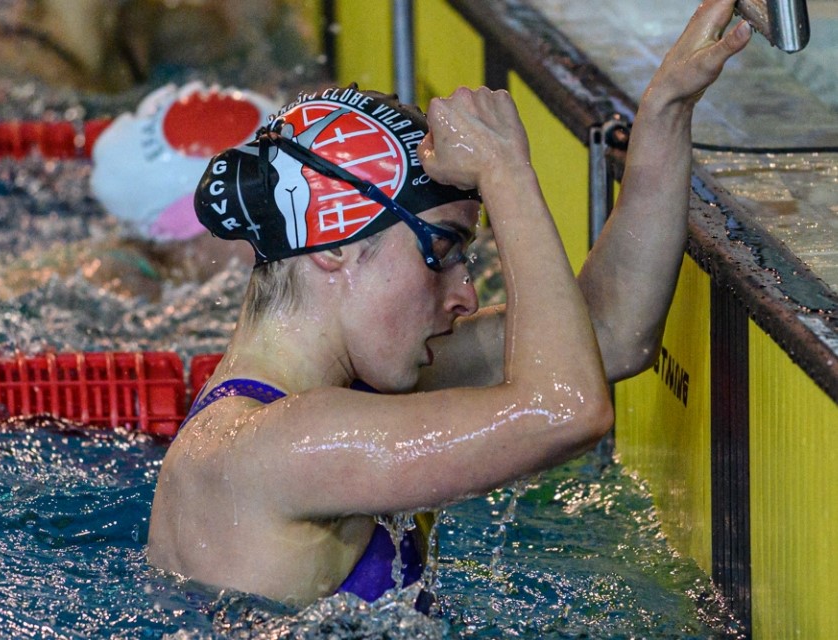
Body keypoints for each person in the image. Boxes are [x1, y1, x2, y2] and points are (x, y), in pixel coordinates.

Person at [148, 0, 751, 609]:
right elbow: (566, 410)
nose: (465, 296)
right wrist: (505, 171)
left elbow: (609, 333)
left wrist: (666, 111)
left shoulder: (334, 404)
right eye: (441, 251)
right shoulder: (283, 447)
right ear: (336, 249)